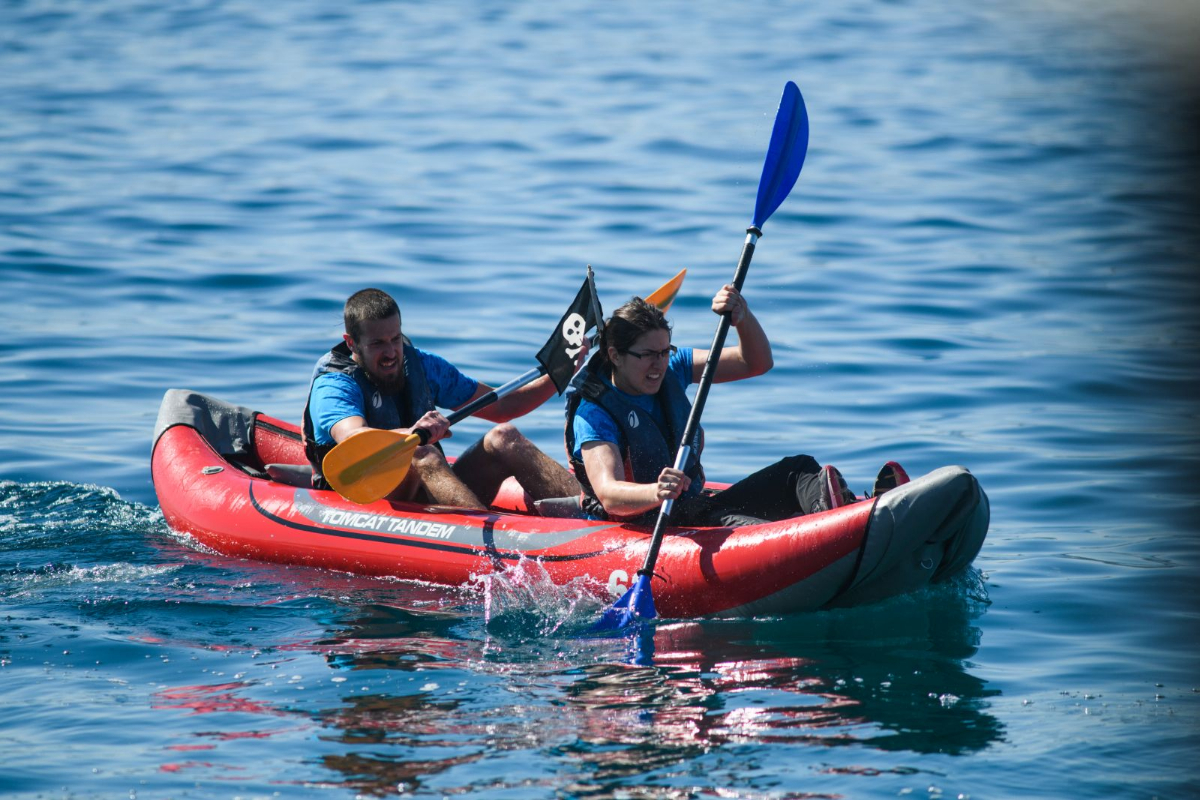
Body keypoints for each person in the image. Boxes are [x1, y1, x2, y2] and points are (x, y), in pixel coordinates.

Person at [565, 286, 909, 526]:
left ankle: (842, 514)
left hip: (692, 507)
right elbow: (609, 494)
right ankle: (838, 528)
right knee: (748, 527)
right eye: (648, 355)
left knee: (798, 469)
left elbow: (755, 363)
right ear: (615, 355)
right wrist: (657, 491)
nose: (659, 364)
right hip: (649, 524)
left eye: (664, 351)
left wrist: (742, 318)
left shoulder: (675, 367)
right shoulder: (594, 414)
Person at [303, 288, 581, 509]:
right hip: (365, 497)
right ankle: (488, 552)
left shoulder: (422, 366)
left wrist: (562, 372)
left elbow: (505, 406)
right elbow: (353, 438)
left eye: (395, 339)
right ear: (351, 342)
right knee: (421, 453)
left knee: (504, 437)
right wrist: (412, 434)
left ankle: (589, 515)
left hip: (423, 489)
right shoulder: (334, 384)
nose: (390, 352)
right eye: (377, 343)